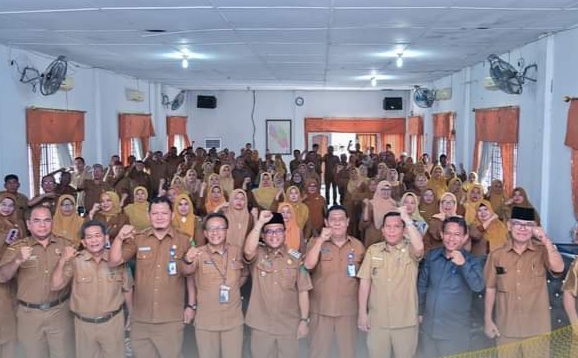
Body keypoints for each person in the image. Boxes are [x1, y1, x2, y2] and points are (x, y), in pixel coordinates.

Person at [109, 196, 195, 358]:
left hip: (171, 318)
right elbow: (114, 262)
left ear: (172, 216)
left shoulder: (184, 241)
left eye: (164, 213)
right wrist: (120, 238)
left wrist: (191, 305)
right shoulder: (138, 239)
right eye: (155, 213)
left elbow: (189, 274)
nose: (159, 217)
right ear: (148, 216)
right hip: (141, 318)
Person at [484, 206, 564, 358]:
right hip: (506, 328)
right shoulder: (497, 255)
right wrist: (488, 320)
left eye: (528, 225)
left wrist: (545, 239)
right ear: (509, 226)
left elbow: (558, 268)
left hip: (537, 330)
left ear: (535, 228)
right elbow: (490, 288)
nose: (523, 228)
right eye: (518, 223)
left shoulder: (542, 251)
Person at [0, 205, 75, 358]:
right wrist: (18, 260)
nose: (42, 225)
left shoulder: (65, 245)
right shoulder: (17, 248)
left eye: (47, 220)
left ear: (52, 222)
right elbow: (3, 277)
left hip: (59, 312)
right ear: (28, 224)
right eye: (37, 221)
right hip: (29, 315)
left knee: (63, 354)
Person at [51, 220, 132, 358]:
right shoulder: (75, 261)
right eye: (89, 237)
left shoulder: (117, 260)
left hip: (112, 323)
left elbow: (127, 289)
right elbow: (55, 285)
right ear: (83, 242)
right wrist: (63, 260)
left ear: (106, 238)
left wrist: (132, 314)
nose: (94, 240)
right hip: (84, 326)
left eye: (97, 235)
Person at [244, 211, 312, 358]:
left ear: (285, 233)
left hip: (288, 326)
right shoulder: (258, 254)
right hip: (261, 325)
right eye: (269, 231)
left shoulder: (296, 258)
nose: (274, 235)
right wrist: (259, 223)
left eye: (278, 230)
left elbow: (303, 290)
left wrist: (304, 320)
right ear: (263, 235)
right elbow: (248, 251)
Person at [357, 209, 424, 358]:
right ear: (382, 230)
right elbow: (365, 282)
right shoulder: (373, 251)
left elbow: (419, 248)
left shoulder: (410, 249)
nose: (392, 231)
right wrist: (362, 313)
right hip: (377, 321)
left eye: (397, 226)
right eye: (388, 226)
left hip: (405, 321)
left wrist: (407, 219)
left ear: (404, 229)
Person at [181, 212, 248, 358]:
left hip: (233, 320)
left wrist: (234, 287)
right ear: (205, 233)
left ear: (226, 231)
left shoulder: (237, 251)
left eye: (220, 228)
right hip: (206, 322)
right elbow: (186, 271)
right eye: (211, 229)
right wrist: (187, 259)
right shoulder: (198, 253)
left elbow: (244, 274)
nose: (215, 232)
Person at [304, 205, 366, 358]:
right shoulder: (315, 243)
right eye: (333, 220)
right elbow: (307, 265)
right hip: (321, 310)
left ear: (347, 222)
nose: (337, 223)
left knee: (348, 353)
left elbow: (364, 281)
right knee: (318, 352)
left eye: (341, 219)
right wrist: (320, 241)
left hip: (348, 311)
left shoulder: (358, 246)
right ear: (326, 222)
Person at [418, 216, 485, 357]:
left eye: (457, 235)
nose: (451, 238)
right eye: (448, 233)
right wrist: (420, 311)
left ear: (465, 237)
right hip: (429, 328)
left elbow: (478, 286)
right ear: (442, 234)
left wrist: (463, 264)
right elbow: (422, 286)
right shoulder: (432, 256)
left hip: (455, 332)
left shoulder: (472, 261)